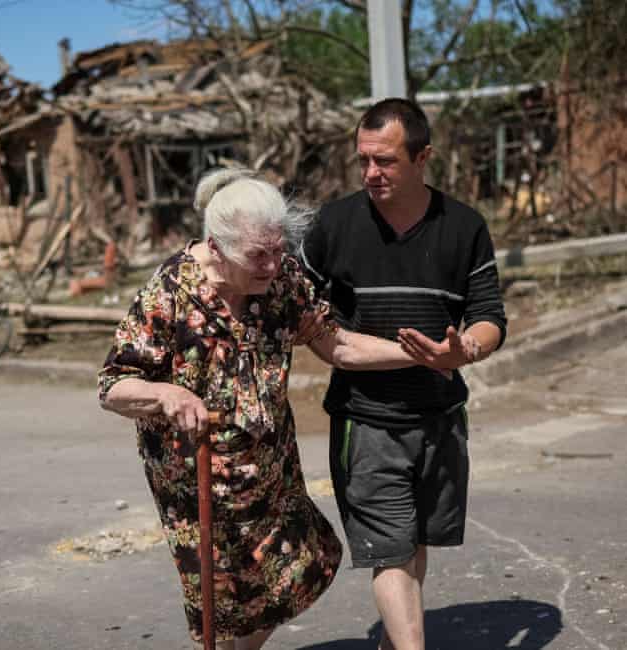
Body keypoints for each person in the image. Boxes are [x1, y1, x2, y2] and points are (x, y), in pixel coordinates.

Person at [98, 168, 430, 649]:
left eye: (279, 251)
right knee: (222, 593)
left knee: (294, 571)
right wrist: (170, 395)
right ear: (216, 247)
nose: (273, 266)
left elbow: (333, 344)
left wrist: (414, 354)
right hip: (196, 480)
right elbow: (113, 386)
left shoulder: (281, 280)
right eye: (258, 255)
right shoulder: (167, 293)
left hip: (272, 469)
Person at [299, 98, 508, 650]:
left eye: (386, 161)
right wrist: (324, 338)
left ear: (423, 158)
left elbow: (489, 317)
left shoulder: (464, 226)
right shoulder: (333, 224)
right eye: (363, 160)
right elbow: (296, 302)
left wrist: (464, 350)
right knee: (389, 550)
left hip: (441, 417)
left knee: (414, 543)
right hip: (366, 420)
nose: (371, 173)